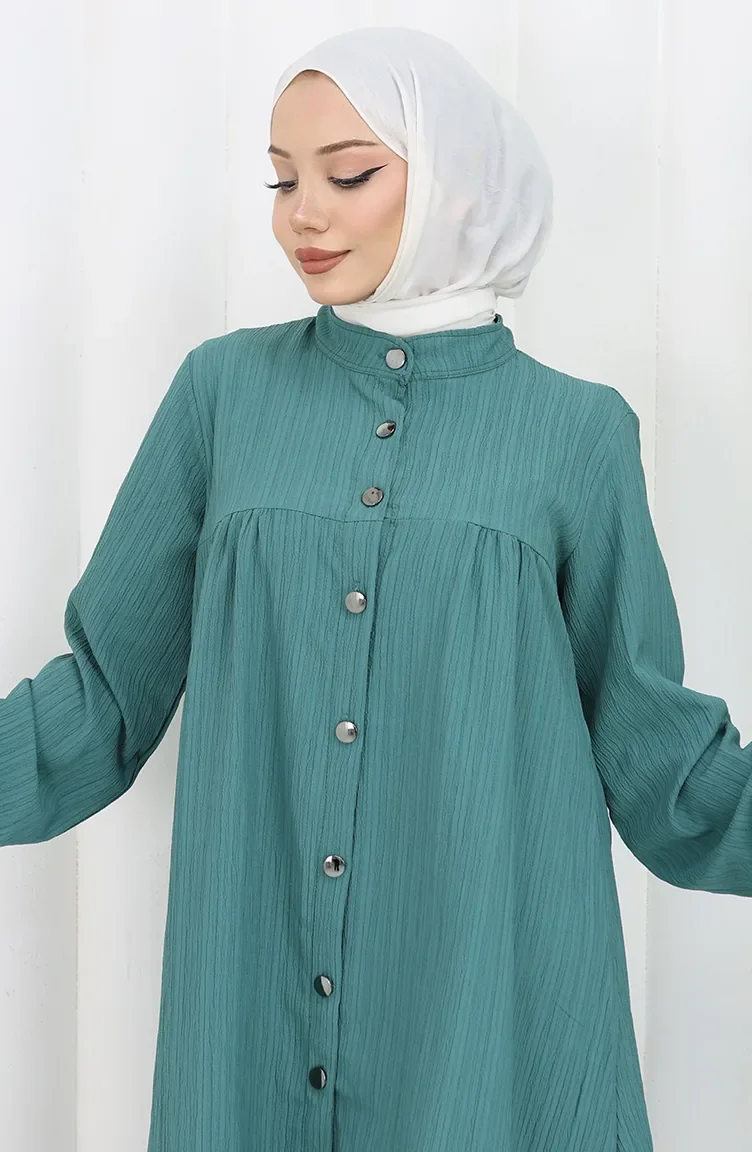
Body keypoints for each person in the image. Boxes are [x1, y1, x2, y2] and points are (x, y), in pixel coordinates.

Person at [2, 24, 751, 1152]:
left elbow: (661, 763)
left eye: (348, 175)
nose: (302, 215)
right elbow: (104, 699)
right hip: (248, 1016)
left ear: (457, 181)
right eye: (281, 179)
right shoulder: (221, 395)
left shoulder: (575, 433)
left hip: (486, 1026)